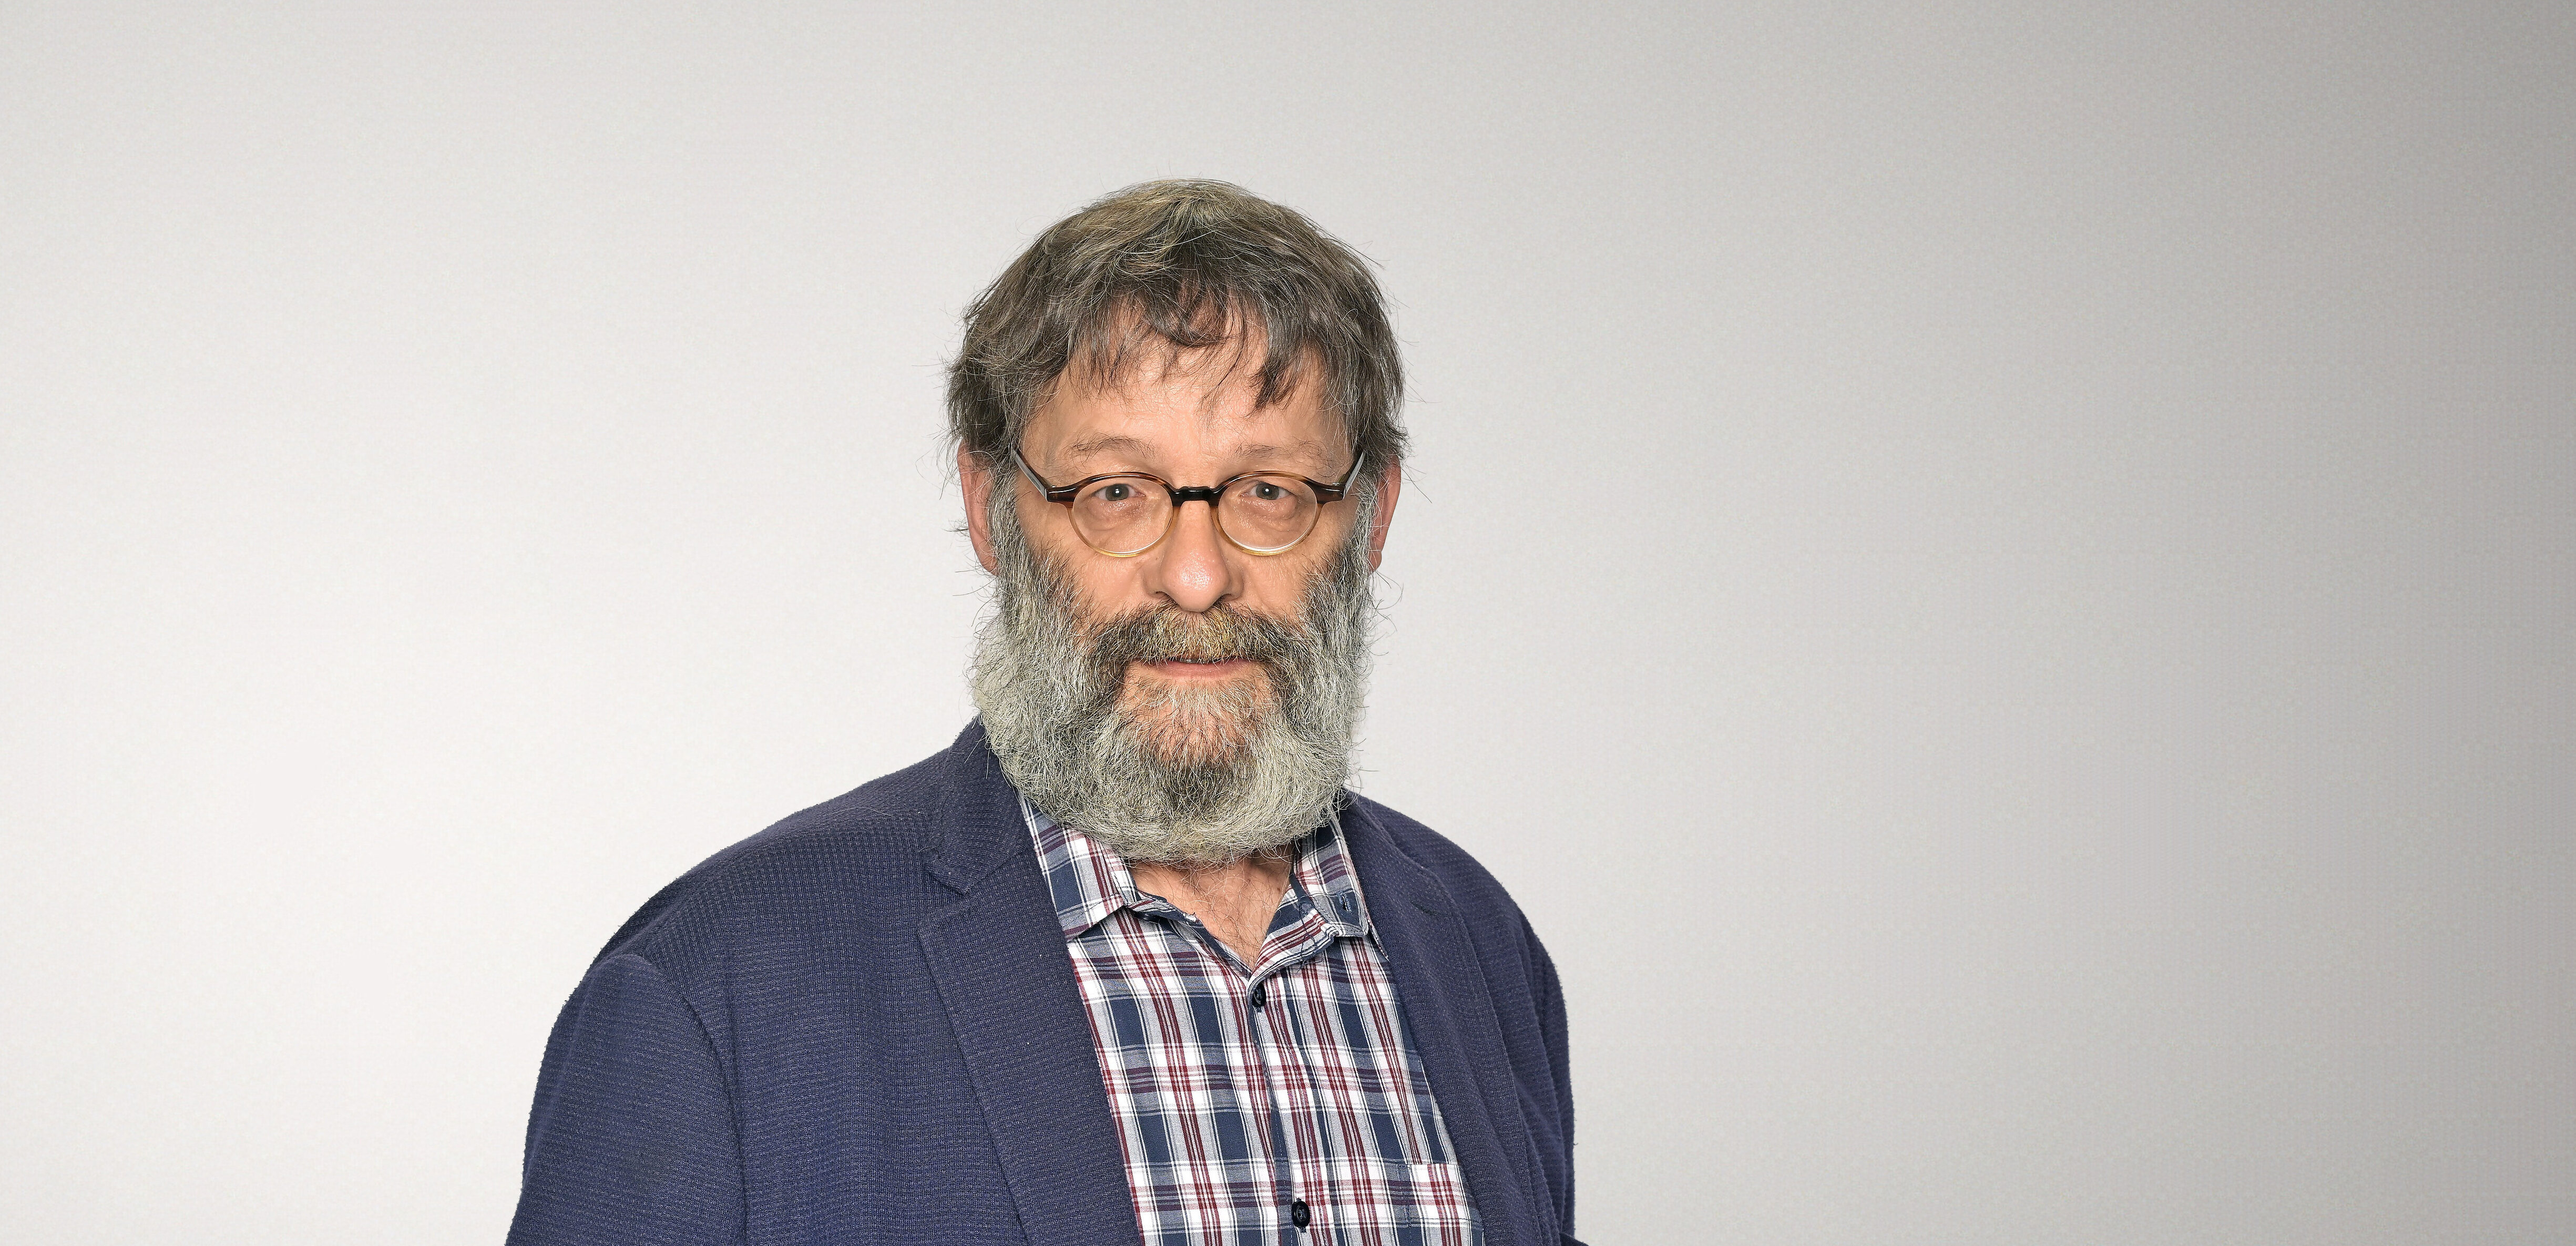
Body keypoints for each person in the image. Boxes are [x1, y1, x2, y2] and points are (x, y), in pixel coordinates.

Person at [506, 180, 1578, 1246]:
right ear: (992, 511)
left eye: (1268, 490)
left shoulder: (1481, 947)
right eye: (1115, 492)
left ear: (1371, 516)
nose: (1195, 576)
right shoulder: (717, 986)